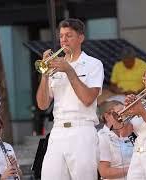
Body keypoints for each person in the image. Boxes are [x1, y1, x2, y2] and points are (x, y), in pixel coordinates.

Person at [36, 18, 104, 180]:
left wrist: (69, 71)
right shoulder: (55, 66)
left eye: (69, 35)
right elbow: (42, 104)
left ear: (80, 38)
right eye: (61, 36)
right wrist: (45, 76)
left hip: (82, 131)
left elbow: (88, 99)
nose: (63, 40)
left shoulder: (93, 64)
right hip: (58, 130)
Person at [97, 100, 133, 180]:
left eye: (125, 113)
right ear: (106, 116)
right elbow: (104, 172)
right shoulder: (101, 137)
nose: (123, 117)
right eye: (119, 113)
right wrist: (133, 169)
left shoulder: (130, 132)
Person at [0, 115, 23, 180]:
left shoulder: (8, 147)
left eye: (0, 128)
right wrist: (2, 177)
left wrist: (16, 167)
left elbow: (21, 176)